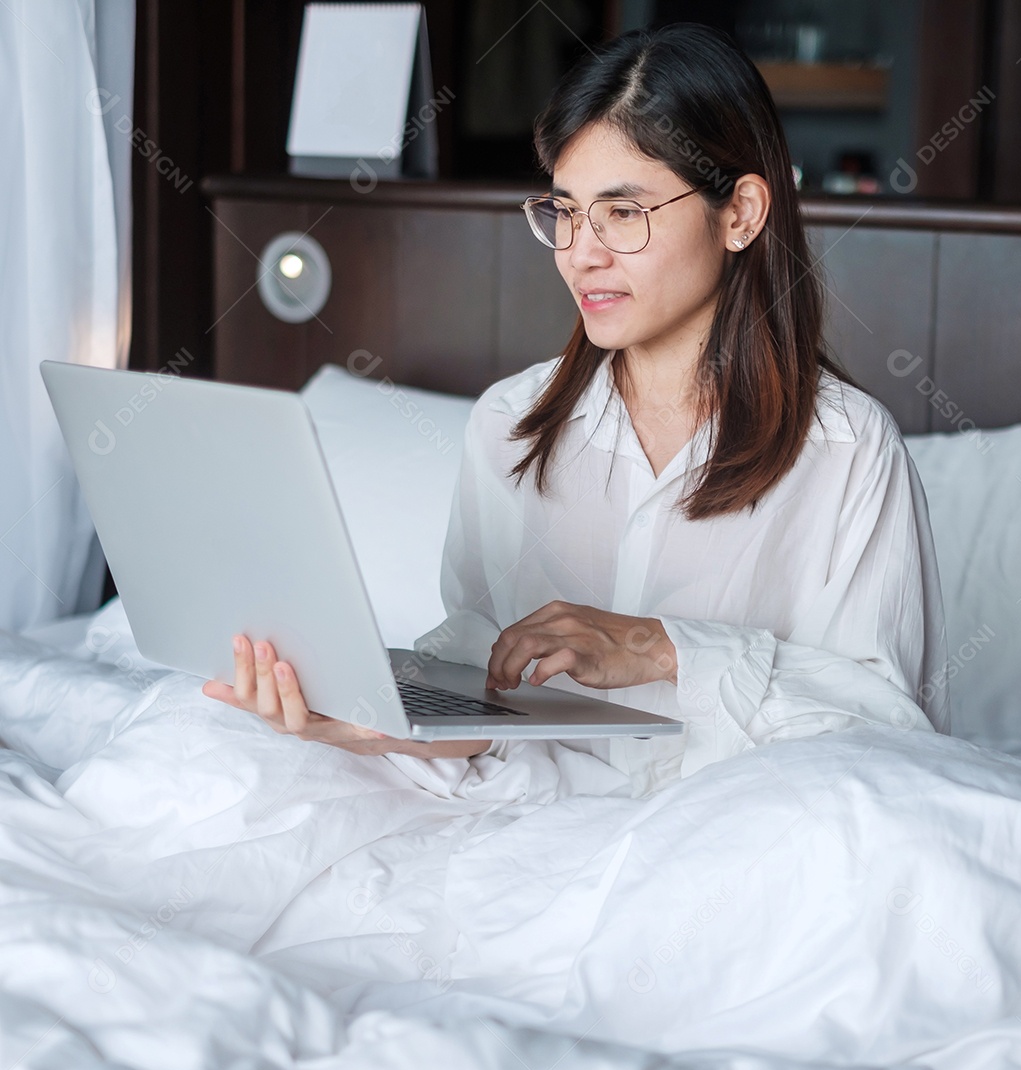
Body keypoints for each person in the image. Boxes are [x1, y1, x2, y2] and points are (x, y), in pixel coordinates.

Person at [203, 23, 950, 796]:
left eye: (623, 213)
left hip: (745, 842)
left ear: (742, 214)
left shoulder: (850, 451)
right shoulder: (509, 424)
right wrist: (364, 721)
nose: (579, 252)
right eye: (564, 211)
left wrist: (665, 649)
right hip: (531, 827)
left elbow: (889, 739)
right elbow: (483, 687)